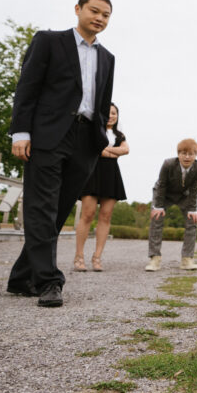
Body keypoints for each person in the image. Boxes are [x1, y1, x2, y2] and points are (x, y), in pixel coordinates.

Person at [6, 0, 115, 307]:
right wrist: (20, 132)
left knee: (57, 211)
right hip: (47, 136)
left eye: (106, 15)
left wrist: (100, 140)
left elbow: (103, 100)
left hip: (85, 142)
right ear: (78, 9)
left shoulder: (107, 58)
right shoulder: (49, 41)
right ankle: (49, 281)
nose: (99, 18)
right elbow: (27, 88)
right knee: (41, 207)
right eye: (94, 11)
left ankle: (19, 278)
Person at [73, 102, 129, 272]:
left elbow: (126, 150)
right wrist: (112, 151)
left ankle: (97, 257)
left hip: (111, 176)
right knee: (87, 215)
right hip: (92, 173)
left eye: (114, 113)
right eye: (109, 112)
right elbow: (96, 150)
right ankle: (79, 256)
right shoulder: (93, 130)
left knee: (106, 216)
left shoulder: (119, 134)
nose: (112, 115)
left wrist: (106, 150)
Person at [145, 139, 197, 271]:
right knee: (156, 219)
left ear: (196, 155)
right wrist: (158, 207)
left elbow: (195, 189)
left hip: (185, 195)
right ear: (178, 154)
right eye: (184, 153)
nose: (187, 157)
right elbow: (161, 185)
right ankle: (155, 258)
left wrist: (193, 209)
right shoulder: (168, 164)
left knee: (192, 221)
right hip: (163, 194)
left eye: (191, 154)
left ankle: (187, 259)